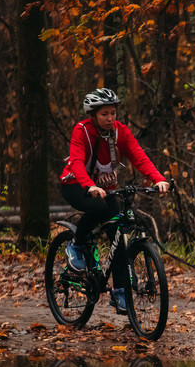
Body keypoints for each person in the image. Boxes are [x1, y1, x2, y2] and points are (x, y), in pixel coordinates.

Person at [60, 88, 169, 314]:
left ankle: (120, 292)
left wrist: (158, 179)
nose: (110, 118)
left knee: (119, 241)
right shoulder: (82, 131)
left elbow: (139, 156)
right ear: (93, 115)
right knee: (99, 208)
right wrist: (89, 185)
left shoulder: (120, 132)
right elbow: (77, 161)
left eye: (113, 113)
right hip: (75, 185)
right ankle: (76, 246)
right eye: (104, 114)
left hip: (105, 190)